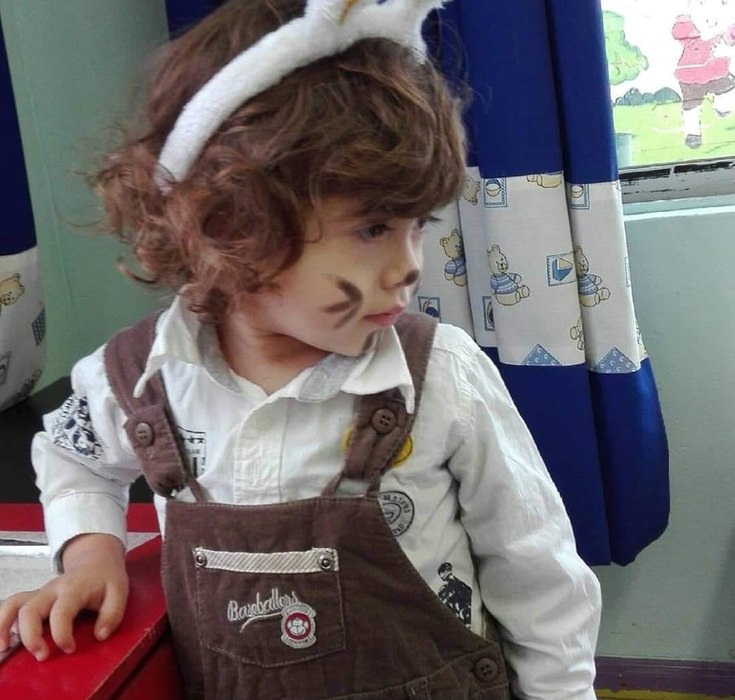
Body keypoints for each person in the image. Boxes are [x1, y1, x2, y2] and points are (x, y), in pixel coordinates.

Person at [0, 0, 601, 697]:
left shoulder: (440, 373)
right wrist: (89, 554)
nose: (409, 266)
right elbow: (72, 455)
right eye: (373, 229)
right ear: (227, 221)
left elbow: (536, 570)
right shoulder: (139, 379)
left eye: (418, 226)